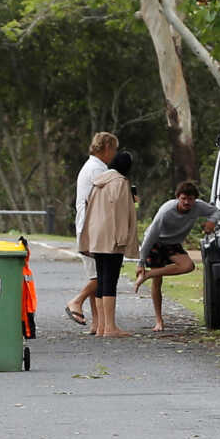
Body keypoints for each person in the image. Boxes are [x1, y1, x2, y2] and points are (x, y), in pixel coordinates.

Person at [134, 182, 212, 332]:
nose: (187, 202)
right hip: (156, 241)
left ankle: (148, 275)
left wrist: (211, 222)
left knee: (188, 266)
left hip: (172, 242)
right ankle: (159, 321)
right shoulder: (166, 211)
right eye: (183, 199)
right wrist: (141, 262)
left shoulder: (199, 206)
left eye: (190, 199)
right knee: (157, 283)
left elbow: (216, 211)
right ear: (178, 198)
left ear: (195, 199)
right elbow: (150, 236)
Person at [78, 149, 138, 337]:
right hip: (112, 237)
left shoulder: (99, 182)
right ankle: (110, 327)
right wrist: (123, 239)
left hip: (97, 237)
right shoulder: (120, 183)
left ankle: (102, 326)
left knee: (102, 280)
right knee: (110, 280)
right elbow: (121, 213)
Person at [64, 130, 119, 327]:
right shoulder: (98, 170)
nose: (114, 153)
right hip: (92, 229)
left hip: (86, 227)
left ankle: (98, 323)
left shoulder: (92, 166)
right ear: (106, 148)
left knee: (95, 275)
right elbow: (104, 200)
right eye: (113, 148)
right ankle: (76, 301)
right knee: (102, 275)